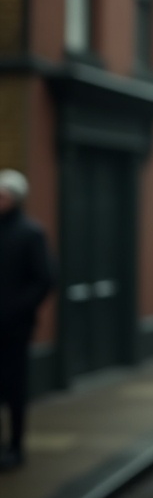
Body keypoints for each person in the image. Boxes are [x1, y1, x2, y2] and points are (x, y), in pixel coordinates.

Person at [0, 169, 54, 471]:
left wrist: (17, 309)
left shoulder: (30, 233)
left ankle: (16, 444)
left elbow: (44, 278)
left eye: (3, 196)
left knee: (14, 386)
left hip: (15, 326)